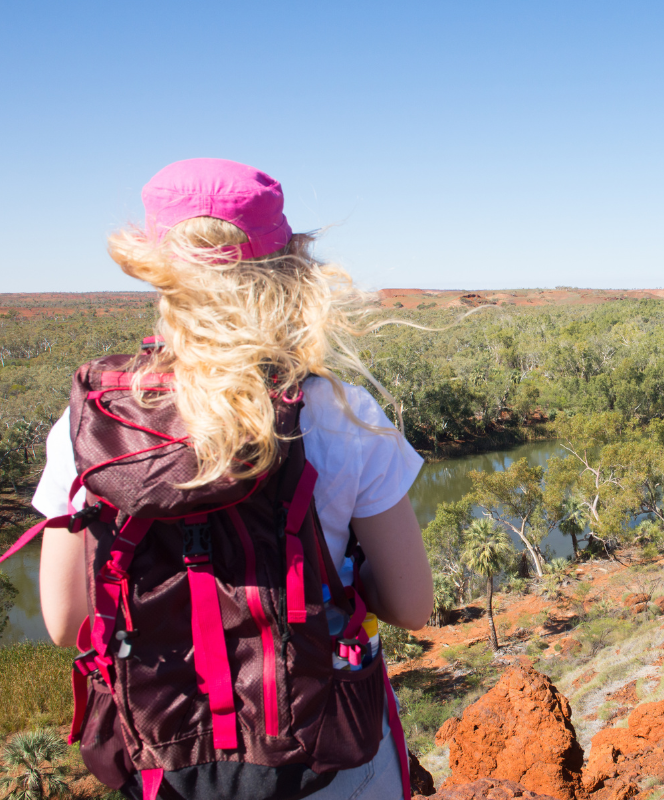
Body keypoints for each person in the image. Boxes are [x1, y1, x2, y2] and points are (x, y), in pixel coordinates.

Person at [34, 158, 434, 799]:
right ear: (287, 271)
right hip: (326, 752)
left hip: (169, 760)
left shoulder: (90, 423)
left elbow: (65, 622)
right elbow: (412, 606)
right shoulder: (343, 413)